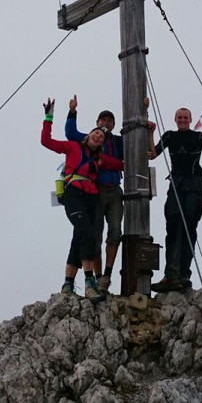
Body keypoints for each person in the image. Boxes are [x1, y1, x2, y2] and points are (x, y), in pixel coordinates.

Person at [41, 98, 124, 303]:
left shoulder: (100, 159)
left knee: (78, 236)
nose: (98, 136)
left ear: (102, 144)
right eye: (96, 133)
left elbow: (121, 164)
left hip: (91, 198)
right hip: (74, 194)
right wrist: (49, 117)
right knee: (88, 233)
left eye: (101, 137)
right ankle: (89, 283)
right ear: (89, 134)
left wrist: (145, 153)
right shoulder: (73, 147)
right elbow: (46, 141)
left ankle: (68, 284)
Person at [147, 107, 202, 292]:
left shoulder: (199, 137)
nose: (183, 120)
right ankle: (171, 275)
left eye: (185, 117)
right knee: (173, 228)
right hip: (176, 185)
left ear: (191, 119)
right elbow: (153, 154)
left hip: (194, 186)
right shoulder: (169, 136)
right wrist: (151, 133)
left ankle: (183, 275)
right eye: (180, 117)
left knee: (189, 229)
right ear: (175, 119)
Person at [64, 94, 124, 295]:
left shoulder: (118, 142)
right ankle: (96, 279)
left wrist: (146, 117)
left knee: (115, 231)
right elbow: (70, 132)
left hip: (114, 190)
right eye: (102, 120)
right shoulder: (89, 140)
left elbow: (129, 154)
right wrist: (72, 112)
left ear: (114, 125)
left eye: (110, 120)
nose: (106, 123)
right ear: (96, 123)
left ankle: (106, 275)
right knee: (93, 234)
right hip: (94, 191)